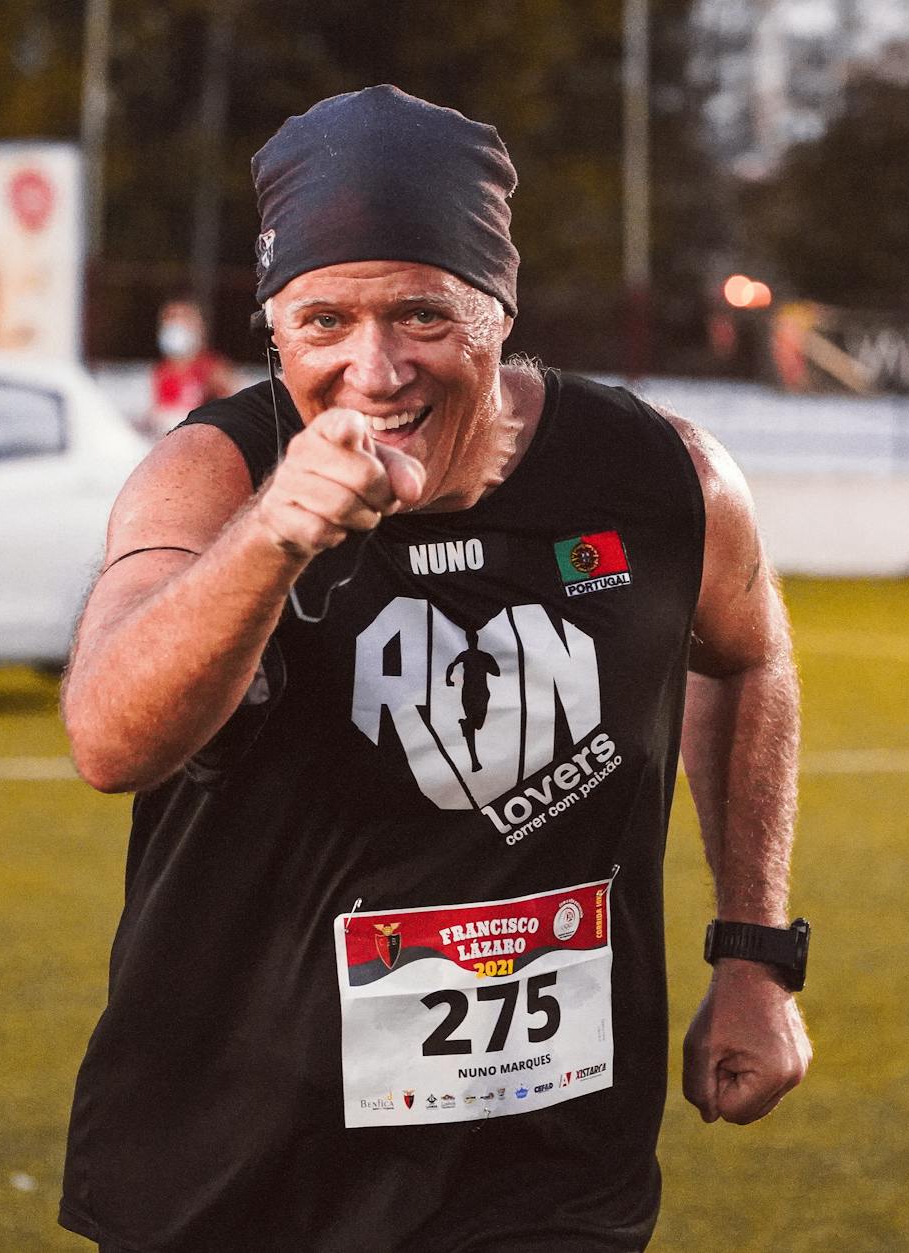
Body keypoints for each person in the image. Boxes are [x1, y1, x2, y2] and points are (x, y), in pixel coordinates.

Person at [58, 85, 809, 1251]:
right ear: (273, 331)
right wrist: (271, 536)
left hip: (540, 1168)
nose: (374, 369)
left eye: (420, 315)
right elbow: (109, 737)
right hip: (233, 1152)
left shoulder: (661, 478)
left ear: (497, 314)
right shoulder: (207, 480)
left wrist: (756, 952)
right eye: (322, 324)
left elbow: (749, 656)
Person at [144, 297, 239, 437]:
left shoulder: (212, 368)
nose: (176, 324)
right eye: (171, 318)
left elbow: (236, 410)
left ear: (198, 327)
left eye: (184, 318)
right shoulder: (161, 371)